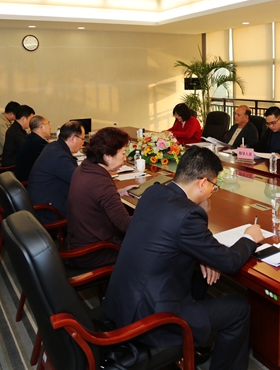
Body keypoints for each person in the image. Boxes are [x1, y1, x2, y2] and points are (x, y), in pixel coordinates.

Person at [104, 146, 265, 370]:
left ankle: (194, 343)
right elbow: (229, 262)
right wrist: (249, 238)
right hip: (153, 320)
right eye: (214, 185)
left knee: (201, 276)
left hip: (123, 303)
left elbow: (169, 236)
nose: (212, 191)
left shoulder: (153, 193)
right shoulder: (189, 215)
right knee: (239, 308)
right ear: (203, 182)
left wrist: (203, 256)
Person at [67, 127, 137, 268]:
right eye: (123, 153)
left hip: (78, 241)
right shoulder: (101, 182)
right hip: (94, 251)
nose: (125, 158)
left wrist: (117, 193)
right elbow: (125, 225)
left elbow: (95, 197)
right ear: (107, 156)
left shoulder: (84, 167)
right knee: (152, 249)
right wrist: (152, 210)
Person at [27, 120, 85, 223]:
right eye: (82, 139)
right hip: (49, 210)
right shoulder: (59, 156)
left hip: (46, 200)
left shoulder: (54, 146)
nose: (83, 143)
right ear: (72, 138)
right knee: (94, 208)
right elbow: (80, 181)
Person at [15, 115, 51, 182]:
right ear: (41, 126)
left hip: (27, 175)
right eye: (48, 124)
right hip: (31, 180)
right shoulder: (39, 143)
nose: (50, 127)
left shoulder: (32, 138)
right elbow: (50, 161)